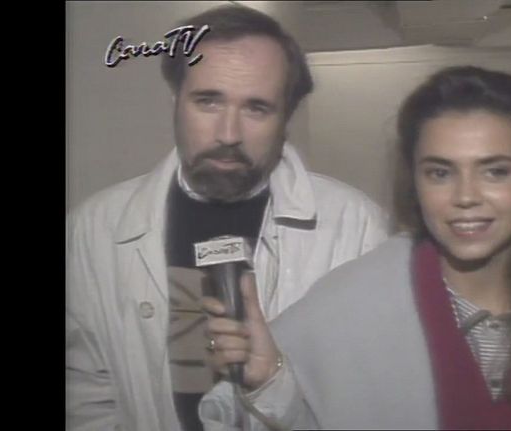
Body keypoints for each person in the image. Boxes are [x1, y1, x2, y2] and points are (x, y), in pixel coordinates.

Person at [199, 66, 511, 430]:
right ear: (415, 183)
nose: (465, 196)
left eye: (495, 171)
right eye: (440, 173)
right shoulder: (350, 302)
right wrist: (269, 382)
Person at [65, 5, 389, 431]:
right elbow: (88, 394)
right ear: (175, 101)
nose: (228, 134)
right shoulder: (95, 228)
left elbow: (370, 399)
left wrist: (274, 383)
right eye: (208, 101)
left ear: (286, 119)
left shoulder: (356, 226)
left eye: (257, 108)